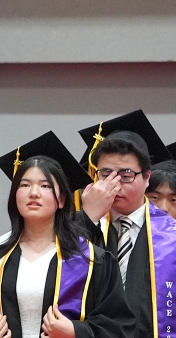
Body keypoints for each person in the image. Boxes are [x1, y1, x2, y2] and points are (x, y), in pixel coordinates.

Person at [0, 131, 135, 338]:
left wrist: (75, 331)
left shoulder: (92, 260)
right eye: (24, 185)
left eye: (45, 186)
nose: (33, 193)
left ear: (61, 200)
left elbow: (119, 328)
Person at [76, 110, 176, 338]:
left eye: (126, 175)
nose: (115, 184)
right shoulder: (79, 226)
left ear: (147, 177)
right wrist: (87, 217)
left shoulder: (171, 235)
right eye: (105, 174)